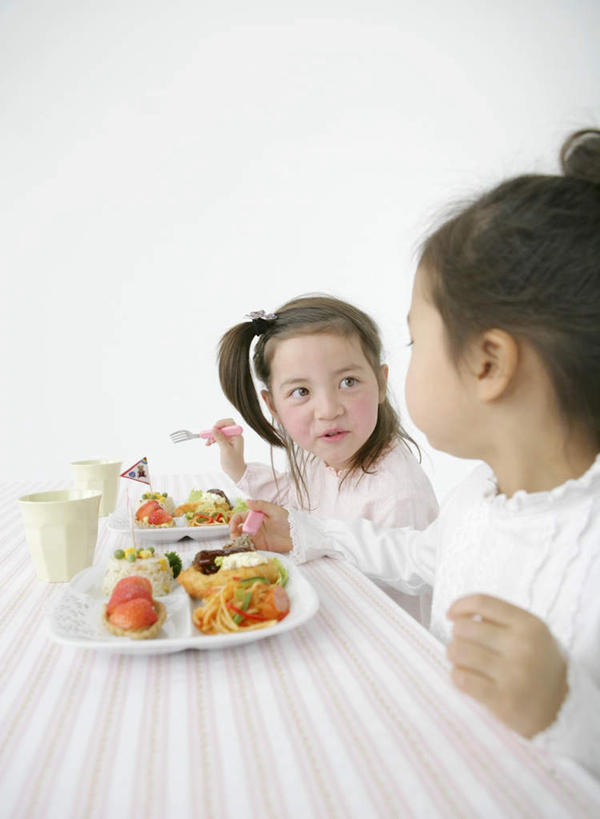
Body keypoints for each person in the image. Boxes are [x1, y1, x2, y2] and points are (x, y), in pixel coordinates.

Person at [229, 129, 600, 777]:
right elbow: (413, 557)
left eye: (414, 339)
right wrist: (308, 529)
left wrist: (569, 711)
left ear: (488, 363)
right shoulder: (479, 500)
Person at [209, 294, 439, 621]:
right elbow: (298, 499)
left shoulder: (398, 495)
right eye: (301, 392)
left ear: (381, 383)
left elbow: (400, 606)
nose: (329, 410)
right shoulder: (320, 457)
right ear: (272, 405)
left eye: (348, 382)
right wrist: (240, 469)